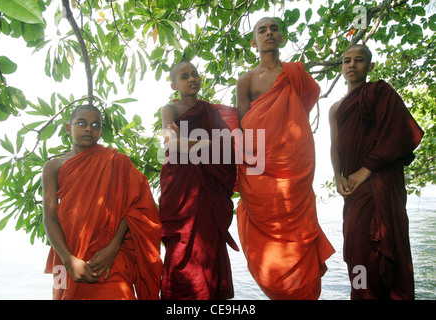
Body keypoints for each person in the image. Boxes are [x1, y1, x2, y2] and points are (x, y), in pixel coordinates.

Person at [235, 17, 335, 300]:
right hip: (261, 167)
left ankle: (303, 290)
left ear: (281, 38)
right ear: (254, 41)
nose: (269, 33)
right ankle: (281, 289)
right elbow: (243, 127)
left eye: (274, 29)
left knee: (300, 228)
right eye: (262, 30)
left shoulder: (296, 73)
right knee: (263, 227)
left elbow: (297, 109)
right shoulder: (247, 79)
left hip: (295, 162)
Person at [329, 44, 424, 300]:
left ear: (369, 66)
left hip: (379, 184)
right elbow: (334, 146)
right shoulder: (336, 108)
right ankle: (361, 295)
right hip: (352, 189)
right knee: (355, 251)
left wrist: (365, 170)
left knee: (377, 248)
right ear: (340, 67)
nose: (351, 65)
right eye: (346, 60)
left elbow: (399, 135)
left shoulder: (380, 92)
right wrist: (338, 177)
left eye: (358, 60)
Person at [42, 105, 162, 300]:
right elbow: (49, 218)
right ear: (67, 128)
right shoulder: (53, 167)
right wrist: (69, 260)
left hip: (109, 255)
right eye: (81, 123)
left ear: (101, 132)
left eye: (95, 125)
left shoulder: (116, 161)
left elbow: (135, 207)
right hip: (66, 254)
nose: (89, 128)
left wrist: (113, 248)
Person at [159, 61, 239, 299]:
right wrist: (209, 143)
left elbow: (229, 148)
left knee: (207, 250)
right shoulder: (170, 110)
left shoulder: (211, 112)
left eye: (195, 74)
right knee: (180, 248)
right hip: (181, 191)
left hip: (208, 192)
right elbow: (171, 143)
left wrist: (192, 143)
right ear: (175, 85)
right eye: (184, 76)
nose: (192, 78)